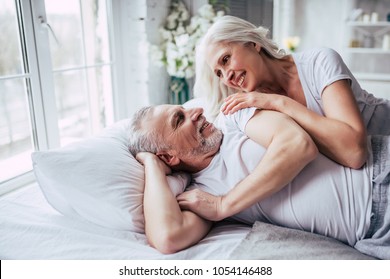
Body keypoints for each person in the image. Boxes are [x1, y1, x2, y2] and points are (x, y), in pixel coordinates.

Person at [128, 104, 390, 259]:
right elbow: (168, 237)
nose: (196, 111)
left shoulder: (234, 118)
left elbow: (298, 145)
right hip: (373, 237)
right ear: (168, 157)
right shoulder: (201, 194)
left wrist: (224, 205)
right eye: (180, 119)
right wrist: (151, 165)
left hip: (379, 172)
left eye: (184, 109)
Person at [193, 15, 390, 169]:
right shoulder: (254, 108)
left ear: (253, 43)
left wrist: (279, 103)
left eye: (226, 59)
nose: (227, 77)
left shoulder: (319, 62)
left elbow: (354, 153)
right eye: (219, 73)